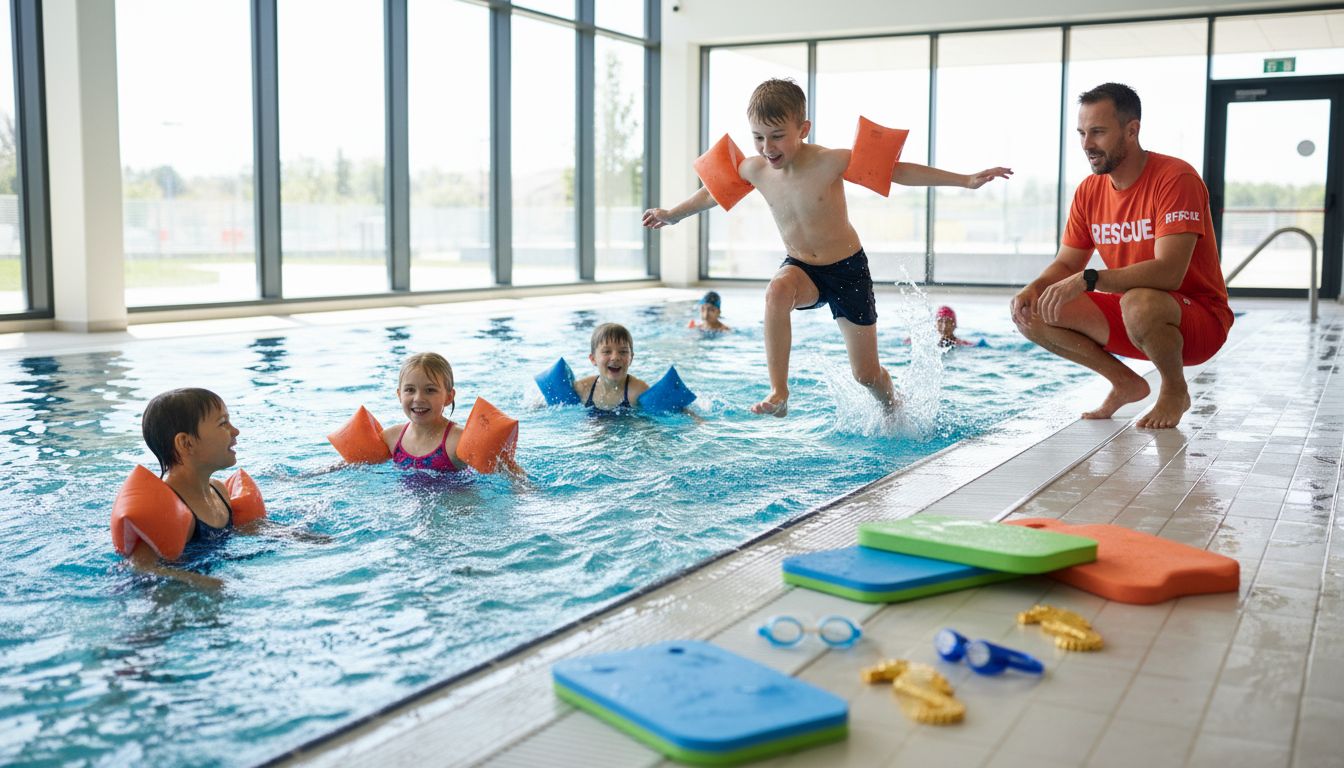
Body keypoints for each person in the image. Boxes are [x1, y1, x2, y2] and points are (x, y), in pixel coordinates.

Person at [643, 78, 1011, 417]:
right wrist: (673, 214)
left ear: (803, 129)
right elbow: (713, 192)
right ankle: (779, 393)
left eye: (777, 136)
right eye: (758, 138)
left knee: (866, 375)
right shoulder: (755, 169)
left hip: (848, 271)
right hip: (802, 268)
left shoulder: (828, 161)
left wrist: (964, 180)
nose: (767, 148)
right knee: (776, 292)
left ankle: (893, 407)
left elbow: (895, 170)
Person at [1010, 82, 1233, 430]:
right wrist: (1033, 288)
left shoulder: (1175, 178)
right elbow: (1068, 263)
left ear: (1132, 130)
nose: (1087, 144)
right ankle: (1125, 382)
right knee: (1035, 309)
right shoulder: (1089, 191)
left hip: (1198, 320)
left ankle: (1175, 389)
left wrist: (1090, 279)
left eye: (1098, 132)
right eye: (1082, 133)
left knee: (1139, 301)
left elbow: (1169, 272)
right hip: (1133, 315)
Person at [130, 388, 247, 588]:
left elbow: (246, 531)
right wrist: (202, 582)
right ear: (186, 443)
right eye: (223, 423)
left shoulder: (219, 491)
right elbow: (139, 567)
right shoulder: (168, 508)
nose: (235, 431)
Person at [382, 352, 473, 472]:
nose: (418, 398)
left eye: (430, 390)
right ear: (399, 395)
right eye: (410, 390)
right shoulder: (391, 438)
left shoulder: (458, 440)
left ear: (449, 397)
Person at [572, 322, 651, 412]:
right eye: (607, 351)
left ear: (631, 358)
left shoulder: (638, 391)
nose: (615, 357)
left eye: (623, 352)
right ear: (593, 359)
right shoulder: (583, 389)